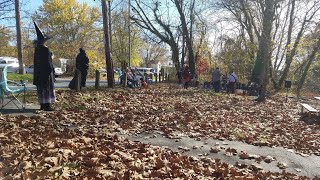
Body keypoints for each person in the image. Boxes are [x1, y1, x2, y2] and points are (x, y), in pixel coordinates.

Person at [33, 22, 56, 111]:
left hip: (39, 74)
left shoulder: (37, 49)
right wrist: (51, 57)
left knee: (41, 89)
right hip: (46, 74)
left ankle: (42, 105)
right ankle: (47, 106)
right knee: (47, 89)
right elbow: (48, 62)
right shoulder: (45, 49)